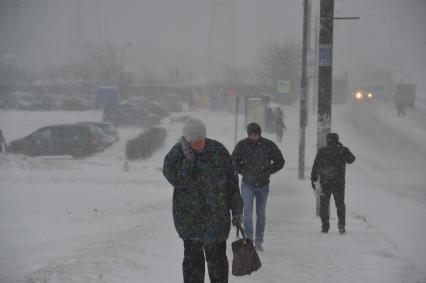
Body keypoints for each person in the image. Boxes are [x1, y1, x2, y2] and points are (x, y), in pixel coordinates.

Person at [163, 118, 243, 283]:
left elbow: (232, 183)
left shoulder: (218, 150)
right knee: (193, 262)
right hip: (189, 219)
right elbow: (177, 180)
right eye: (194, 142)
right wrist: (188, 161)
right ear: (186, 139)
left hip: (217, 217)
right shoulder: (176, 154)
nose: (199, 145)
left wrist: (237, 209)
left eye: (201, 141)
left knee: (218, 261)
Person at [232, 122, 285, 251]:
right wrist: (244, 171)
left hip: (263, 185)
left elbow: (280, 161)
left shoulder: (268, 145)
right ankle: (249, 240)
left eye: (255, 135)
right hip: (247, 184)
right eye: (250, 135)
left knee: (261, 214)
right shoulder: (242, 145)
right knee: (248, 214)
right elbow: (233, 162)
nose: (253, 137)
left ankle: (259, 240)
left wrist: (268, 171)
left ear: (259, 134)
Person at [311, 133, 355, 234]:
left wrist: (313, 180)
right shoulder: (342, 150)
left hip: (325, 182)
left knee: (324, 205)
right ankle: (341, 225)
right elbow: (352, 159)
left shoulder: (322, 151)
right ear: (337, 140)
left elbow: (316, 167)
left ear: (328, 140)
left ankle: (325, 226)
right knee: (340, 204)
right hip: (338, 183)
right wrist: (342, 148)